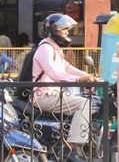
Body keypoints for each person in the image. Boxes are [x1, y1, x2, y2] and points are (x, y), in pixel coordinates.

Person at [31, 13, 98, 162]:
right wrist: (79, 79)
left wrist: (89, 76)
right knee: (84, 103)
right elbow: (55, 73)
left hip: (53, 94)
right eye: (64, 29)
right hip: (44, 96)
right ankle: (72, 146)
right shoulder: (45, 49)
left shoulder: (55, 49)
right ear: (54, 30)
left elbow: (66, 67)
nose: (67, 32)